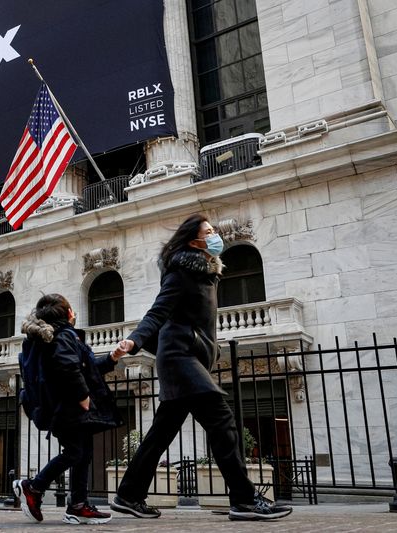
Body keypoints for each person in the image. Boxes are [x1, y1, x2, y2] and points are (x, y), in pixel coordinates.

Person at [108, 214, 293, 522]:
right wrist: (133, 341)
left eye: (213, 231)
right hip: (181, 358)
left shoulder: (207, 272)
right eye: (208, 232)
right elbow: (158, 312)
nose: (215, 235)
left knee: (160, 434)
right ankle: (244, 500)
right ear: (194, 241)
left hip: (189, 356)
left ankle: (129, 495)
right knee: (223, 424)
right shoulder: (182, 271)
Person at [12, 293, 124, 525]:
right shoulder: (65, 336)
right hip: (68, 409)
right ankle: (33, 487)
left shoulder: (53, 336)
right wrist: (83, 396)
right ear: (69, 313)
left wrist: (112, 358)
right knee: (75, 453)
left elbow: (87, 369)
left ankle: (78, 506)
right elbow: (67, 366)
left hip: (62, 409)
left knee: (82, 454)